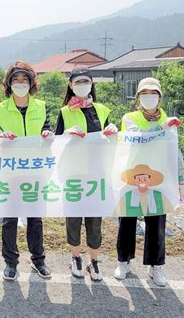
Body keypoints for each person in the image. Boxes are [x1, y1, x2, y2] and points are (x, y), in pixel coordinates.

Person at [114, 77, 184, 287]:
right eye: (145, 94)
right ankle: (124, 261)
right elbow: (137, 139)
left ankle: (155, 266)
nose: (149, 98)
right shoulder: (130, 118)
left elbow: (176, 152)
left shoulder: (166, 119)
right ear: (138, 97)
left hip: (158, 178)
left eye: (153, 94)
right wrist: (162, 128)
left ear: (159, 97)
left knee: (156, 222)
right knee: (127, 220)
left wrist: (181, 182)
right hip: (131, 176)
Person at [0, 60, 52, 281]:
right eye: (15, 80)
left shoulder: (43, 106)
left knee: (35, 218)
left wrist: (47, 135)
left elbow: (48, 130)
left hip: (36, 171)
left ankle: (38, 261)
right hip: (9, 172)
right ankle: (10, 263)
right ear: (8, 83)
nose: (20, 83)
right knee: (9, 219)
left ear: (32, 82)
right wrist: (0, 139)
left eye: (25, 80)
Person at [55, 66, 118, 281]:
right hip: (73, 175)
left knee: (94, 220)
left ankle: (94, 261)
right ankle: (75, 257)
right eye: (77, 82)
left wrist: (113, 132)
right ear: (71, 86)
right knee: (73, 219)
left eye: (85, 81)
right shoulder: (64, 111)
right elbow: (55, 143)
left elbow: (112, 140)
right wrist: (66, 134)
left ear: (91, 84)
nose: (82, 85)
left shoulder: (103, 110)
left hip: (97, 175)